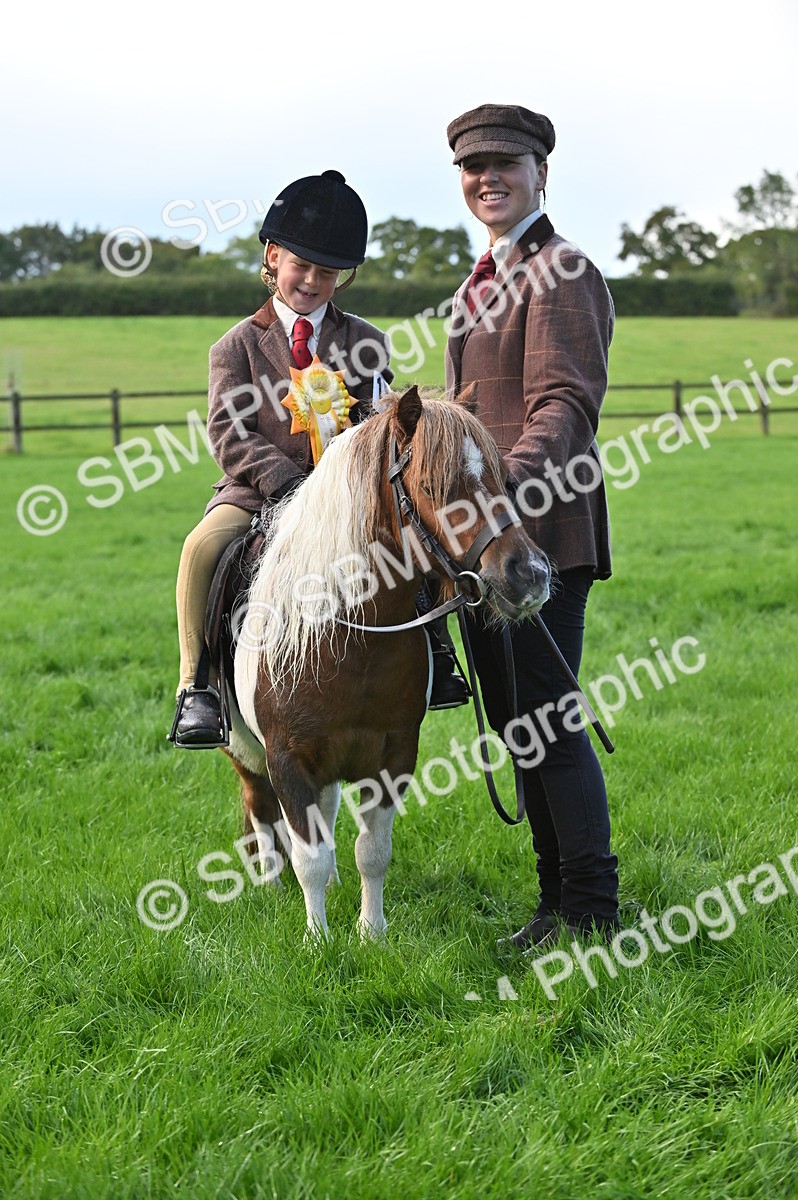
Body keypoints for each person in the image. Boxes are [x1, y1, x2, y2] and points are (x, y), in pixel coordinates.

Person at [170, 168, 464, 748]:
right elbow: (229, 434)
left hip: (353, 494)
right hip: (261, 491)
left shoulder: (366, 341)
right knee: (201, 547)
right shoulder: (236, 347)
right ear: (274, 258)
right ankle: (196, 686)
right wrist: (287, 483)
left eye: (326, 272)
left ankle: (436, 651)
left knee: (416, 535)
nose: (310, 280)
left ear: (342, 278)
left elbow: (384, 424)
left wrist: (353, 456)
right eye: (300, 266)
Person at [444, 104, 620, 947]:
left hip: (543, 535)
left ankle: (591, 907)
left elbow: (565, 403)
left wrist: (502, 485)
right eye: (473, 168)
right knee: (520, 727)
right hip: (487, 545)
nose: (488, 179)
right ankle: (553, 903)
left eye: (504, 164)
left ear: (540, 173)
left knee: (550, 722)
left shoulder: (563, 272)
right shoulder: (472, 288)